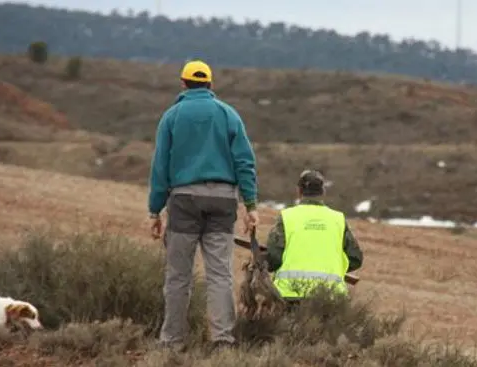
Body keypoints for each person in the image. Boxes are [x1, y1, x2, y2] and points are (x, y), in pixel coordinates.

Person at [147, 59, 259, 351]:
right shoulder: (228, 114)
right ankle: (223, 340)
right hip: (223, 201)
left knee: (178, 276)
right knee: (220, 274)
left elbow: (160, 166)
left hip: (183, 202)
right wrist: (251, 204)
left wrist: (154, 209)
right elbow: (245, 162)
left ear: (183, 83)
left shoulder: (172, 116)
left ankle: (171, 341)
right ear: (210, 85)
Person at [263, 170, 363, 310]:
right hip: (331, 296)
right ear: (323, 192)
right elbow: (355, 258)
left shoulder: (287, 217)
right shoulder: (338, 219)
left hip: (291, 296)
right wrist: (334, 267)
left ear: (299, 191)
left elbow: (273, 259)